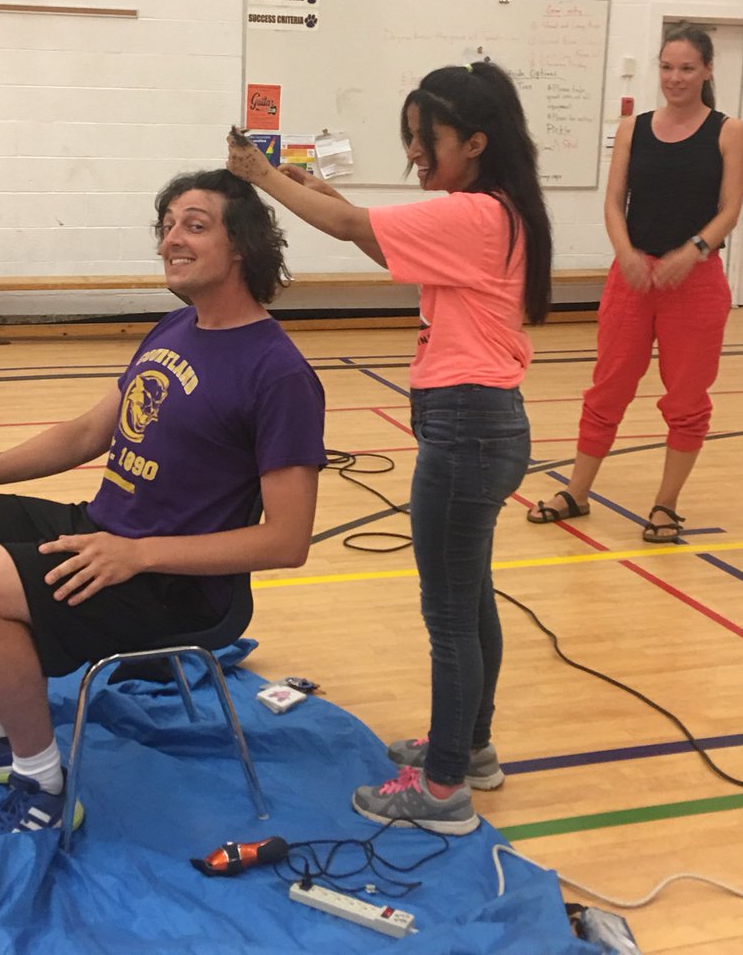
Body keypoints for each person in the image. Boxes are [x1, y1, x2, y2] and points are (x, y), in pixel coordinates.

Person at [0, 169, 326, 861]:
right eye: (168, 224)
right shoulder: (176, 328)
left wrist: (140, 555)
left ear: (242, 246)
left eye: (194, 225)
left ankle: (44, 785)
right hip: (103, 535)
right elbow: (89, 432)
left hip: (170, 584)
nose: (171, 239)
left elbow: (286, 540)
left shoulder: (279, 373)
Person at [226, 62, 552, 834]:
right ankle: (467, 749)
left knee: (448, 614)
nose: (413, 153)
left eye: (424, 138)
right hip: (483, 424)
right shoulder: (492, 211)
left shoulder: (473, 215)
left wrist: (264, 175)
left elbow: (349, 229)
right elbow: (378, 240)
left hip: (469, 429)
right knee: (469, 602)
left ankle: (441, 791)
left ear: (474, 141)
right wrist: (325, 194)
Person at [527, 25, 743, 542]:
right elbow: (613, 200)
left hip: (695, 285)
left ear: (708, 71)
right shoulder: (633, 128)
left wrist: (692, 252)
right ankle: (577, 492)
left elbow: (730, 210)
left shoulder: (728, 131)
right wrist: (624, 253)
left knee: (687, 400)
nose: (675, 78)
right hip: (633, 279)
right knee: (608, 387)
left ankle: (665, 505)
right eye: (667, 67)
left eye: (687, 68)